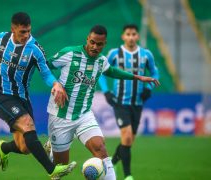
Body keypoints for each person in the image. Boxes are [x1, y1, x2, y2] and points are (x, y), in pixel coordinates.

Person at [0, 12, 76, 179]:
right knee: (27, 124)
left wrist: (55, 84)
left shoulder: (35, 50)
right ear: (13, 29)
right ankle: (52, 170)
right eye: (22, 32)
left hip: (22, 97)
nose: (26, 35)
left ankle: (3, 148)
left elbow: (46, 74)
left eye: (28, 31)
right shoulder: (2, 39)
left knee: (25, 148)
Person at [45, 25, 160, 180]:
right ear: (87, 39)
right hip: (60, 115)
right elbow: (45, 65)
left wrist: (138, 77)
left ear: (104, 44)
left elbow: (111, 71)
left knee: (101, 149)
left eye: (99, 44)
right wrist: (55, 84)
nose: (95, 47)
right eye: (92, 42)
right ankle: (53, 150)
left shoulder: (101, 61)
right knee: (60, 169)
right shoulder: (70, 53)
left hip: (84, 115)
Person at [98, 24, 160, 180]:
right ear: (123, 36)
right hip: (120, 103)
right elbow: (101, 72)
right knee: (126, 137)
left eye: (134, 34)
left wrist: (149, 88)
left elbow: (155, 71)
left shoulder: (146, 55)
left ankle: (111, 164)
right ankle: (128, 176)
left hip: (137, 103)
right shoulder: (114, 53)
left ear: (137, 36)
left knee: (128, 141)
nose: (131, 37)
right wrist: (106, 92)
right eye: (128, 34)